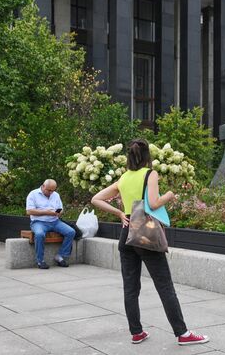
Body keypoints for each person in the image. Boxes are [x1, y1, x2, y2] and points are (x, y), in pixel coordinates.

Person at [91, 139, 209, 346]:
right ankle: (182, 333)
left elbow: (96, 198)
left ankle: (136, 333)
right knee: (165, 286)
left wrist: (119, 212)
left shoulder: (124, 178)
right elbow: (153, 203)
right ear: (147, 157)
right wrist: (170, 196)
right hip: (145, 232)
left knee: (130, 287)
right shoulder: (150, 174)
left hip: (126, 233)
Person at [26, 179, 76, 269]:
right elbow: (29, 211)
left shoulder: (56, 195)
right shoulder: (33, 194)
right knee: (40, 234)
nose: (50, 192)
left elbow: (60, 208)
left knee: (71, 232)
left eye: (53, 190)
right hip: (38, 222)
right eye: (49, 190)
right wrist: (46, 212)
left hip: (55, 221)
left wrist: (59, 212)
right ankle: (40, 261)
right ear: (43, 186)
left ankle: (60, 256)